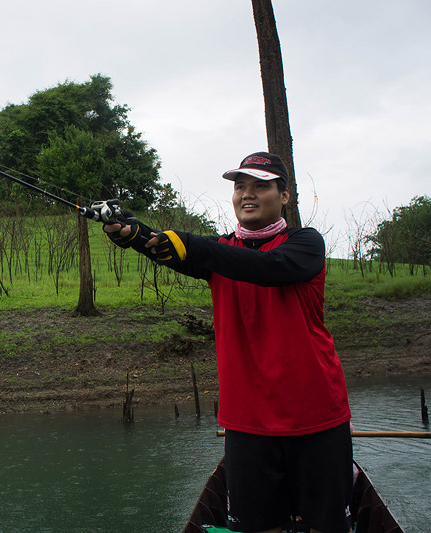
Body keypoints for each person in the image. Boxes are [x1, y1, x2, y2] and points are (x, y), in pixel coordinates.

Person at [103, 152, 352, 533]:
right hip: (247, 421)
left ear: (285, 196)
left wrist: (191, 245)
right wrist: (137, 235)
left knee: (326, 526)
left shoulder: (305, 244)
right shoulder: (219, 251)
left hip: (316, 415)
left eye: (260, 186)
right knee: (257, 527)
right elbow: (179, 250)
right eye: (240, 187)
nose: (246, 194)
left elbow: (269, 269)